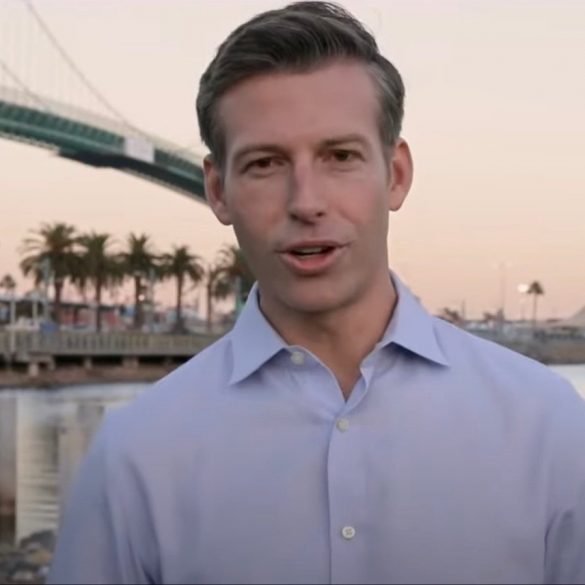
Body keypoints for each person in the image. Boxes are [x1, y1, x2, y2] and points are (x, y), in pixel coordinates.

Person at [48, 2, 585, 584]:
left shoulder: (550, 427)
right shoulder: (134, 457)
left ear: (396, 175)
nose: (306, 202)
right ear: (218, 190)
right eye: (265, 164)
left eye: (340, 157)